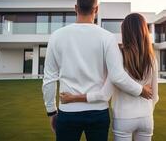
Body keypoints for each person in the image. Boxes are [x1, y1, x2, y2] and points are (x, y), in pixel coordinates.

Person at [42, 0, 153, 141]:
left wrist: (51, 112)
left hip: (67, 112)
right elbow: (117, 75)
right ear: (96, 9)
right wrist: (141, 90)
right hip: (98, 113)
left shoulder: (56, 37)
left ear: (76, 8)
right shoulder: (107, 38)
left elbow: (49, 79)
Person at [60, 13, 159, 141]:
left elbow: (104, 94)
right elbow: (155, 97)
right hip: (147, 118)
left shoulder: (118, 56)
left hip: (124, 118)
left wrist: (73, 98)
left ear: (125, 32)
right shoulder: (152, 59)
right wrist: (146, 111)